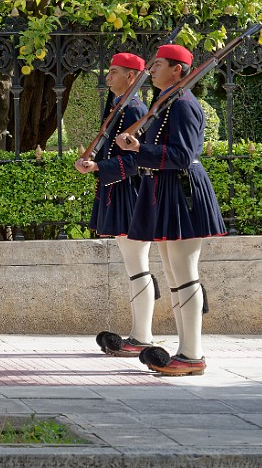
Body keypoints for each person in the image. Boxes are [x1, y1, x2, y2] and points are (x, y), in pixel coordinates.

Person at [115, 44, 226, 376]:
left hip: (183, 193)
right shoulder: (166, 104)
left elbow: (181, 155)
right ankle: (187, 352)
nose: (152, 69)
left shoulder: (183, 106)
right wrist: (140, 150)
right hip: (166, 190)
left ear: (178, 69)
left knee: (184, 275)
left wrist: (141, 149)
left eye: (159, 64)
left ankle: (192, 354)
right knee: (176, 275)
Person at [75, 53, 160, 358]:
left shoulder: (134, 109)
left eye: (114, 72)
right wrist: (93, 163)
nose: (108, 77)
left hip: (129, 192)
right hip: (118, 190)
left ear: (131, 77)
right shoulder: (120, 108)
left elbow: (135, 161)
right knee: (135, 266)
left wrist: (99, 168)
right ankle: (140, 333)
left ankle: (142, 335)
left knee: (137, 266)